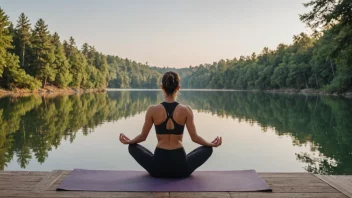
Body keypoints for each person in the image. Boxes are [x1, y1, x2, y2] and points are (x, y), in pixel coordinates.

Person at [119, 71, 222, 178]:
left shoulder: (152, 110)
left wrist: (130, 141)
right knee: (207, 149)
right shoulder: (186, 110)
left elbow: (143, 137)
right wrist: (210, 144)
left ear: (162, 87)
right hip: (181, 167)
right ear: (178, 88)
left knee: (132, 147)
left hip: (158, 167)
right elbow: (194, 138)